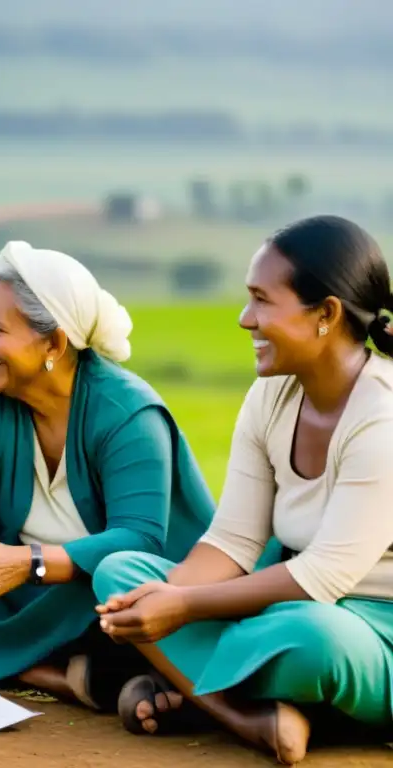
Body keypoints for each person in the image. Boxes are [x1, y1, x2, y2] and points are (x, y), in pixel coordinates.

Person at [0, 240, 218, 711]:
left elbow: (140, 539)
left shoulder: (127, 414)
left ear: (53, 343)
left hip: (92, 591)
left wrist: (25, 563)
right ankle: (60, 678)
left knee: (113, 582)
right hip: (14, 587)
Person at [94, 215, 393, 765]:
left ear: (325, 314)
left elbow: (322, 577)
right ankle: (246, 714)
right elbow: (233, 539)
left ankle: (192, 691)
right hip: (281, 607)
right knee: (121, 574)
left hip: (369, 633)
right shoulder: (270, 397)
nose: (244, 319)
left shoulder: (382, 417)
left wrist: (182, 610)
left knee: (314, 639)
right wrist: (163, 597)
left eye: (261, 300)